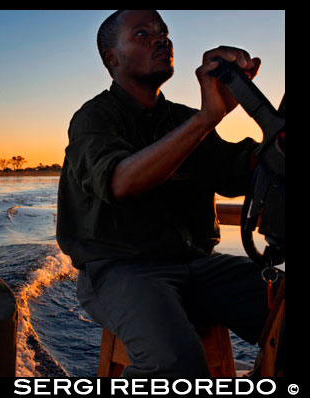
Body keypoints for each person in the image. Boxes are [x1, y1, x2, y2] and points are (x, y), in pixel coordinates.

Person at [56, 10, 276, 377]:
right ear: (112, 59)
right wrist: (207, 119)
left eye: (164, 32)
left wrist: (270, 131)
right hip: (120, 271)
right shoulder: (95, 118)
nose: (162, 39)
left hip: (198, 266)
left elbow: (240, 173)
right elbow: (120, 182)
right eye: (142, 34)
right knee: (175, 365)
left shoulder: (183, 119)